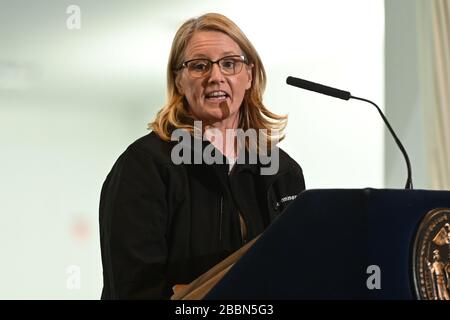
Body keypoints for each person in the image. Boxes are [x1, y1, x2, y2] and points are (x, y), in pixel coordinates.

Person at [99, 12, 306, 299]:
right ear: (179, 81)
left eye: (230, 64)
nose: (215, 77)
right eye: (199, 66)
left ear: (250, 75)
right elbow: (132, 289)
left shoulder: (283, 171)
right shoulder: (145, 165)